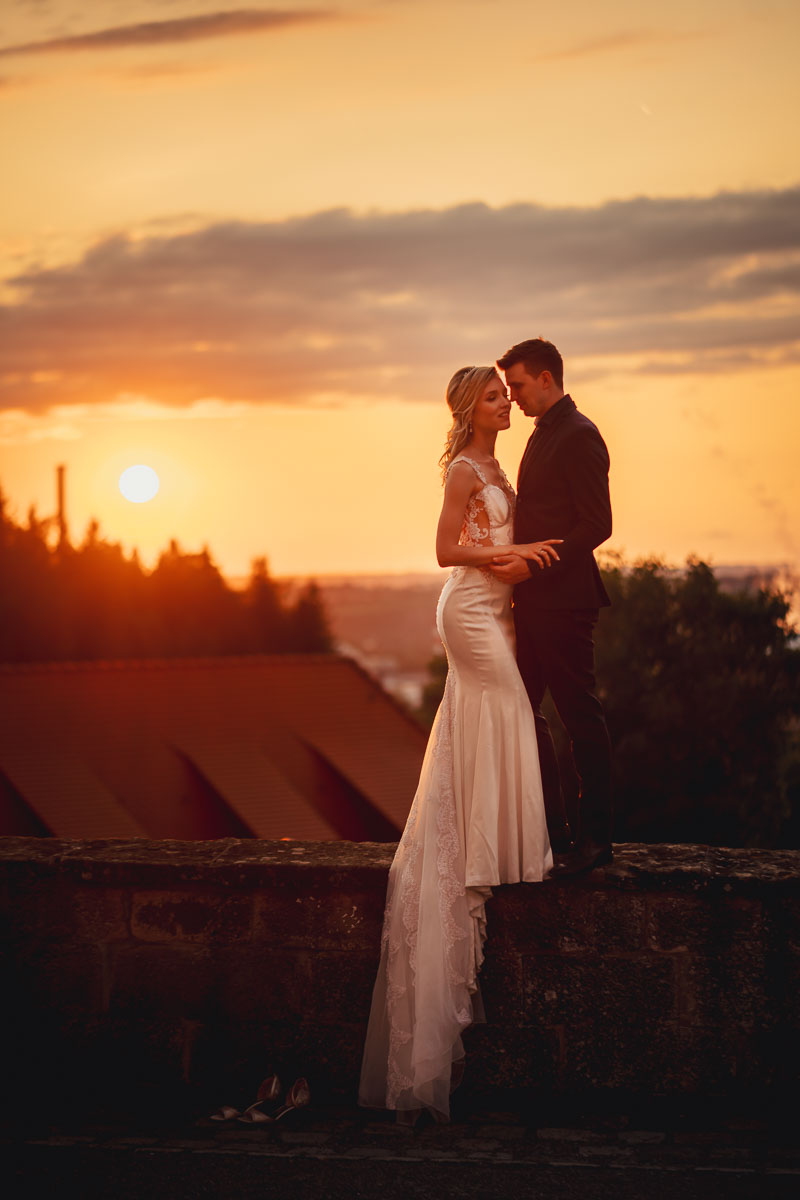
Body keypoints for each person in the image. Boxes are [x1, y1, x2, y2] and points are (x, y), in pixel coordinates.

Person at [358, 365, 558, 1124]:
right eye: (495, 395)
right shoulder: (464, 469)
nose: (507, 402)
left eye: (508, 393)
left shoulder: (501, 464)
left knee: (496, 717)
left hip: (497, 608)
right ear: (469, 408)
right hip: (470, 611)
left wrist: (520, 555)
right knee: (503, 704)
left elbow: (491, 538)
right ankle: (483, 848)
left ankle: (491, 838)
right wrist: (512, 557)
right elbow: (446, 551)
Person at [491, 338, 613, 876]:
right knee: (522, 710)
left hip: (564, 603)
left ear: (546, 378)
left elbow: (597, 524)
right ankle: (554, 829)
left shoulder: (579, 435)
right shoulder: (545, 433)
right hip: (533, 601)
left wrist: (533, 567)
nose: (512, 396)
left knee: (579, 717)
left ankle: (597, 839)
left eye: (516, 385)